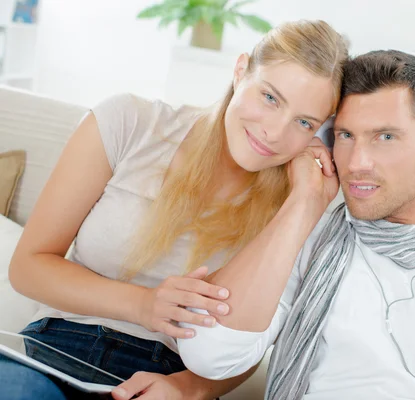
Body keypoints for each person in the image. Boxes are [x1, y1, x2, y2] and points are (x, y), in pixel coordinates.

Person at [169, 50, 415, 400]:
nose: (357, 163)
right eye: (345, 136)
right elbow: (209, 355)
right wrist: (304, 202)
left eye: (385, 137)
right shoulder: (303, 241)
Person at [0, 19, 348, 400]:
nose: (275, 133)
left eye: (303, 122)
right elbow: (28, 267)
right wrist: (143, 304)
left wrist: (189, 389)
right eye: (270, 97)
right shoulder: (129, 123)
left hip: (166, 381)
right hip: (55, 351)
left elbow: (248, 344)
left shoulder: (300, 203)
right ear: (240, 70)